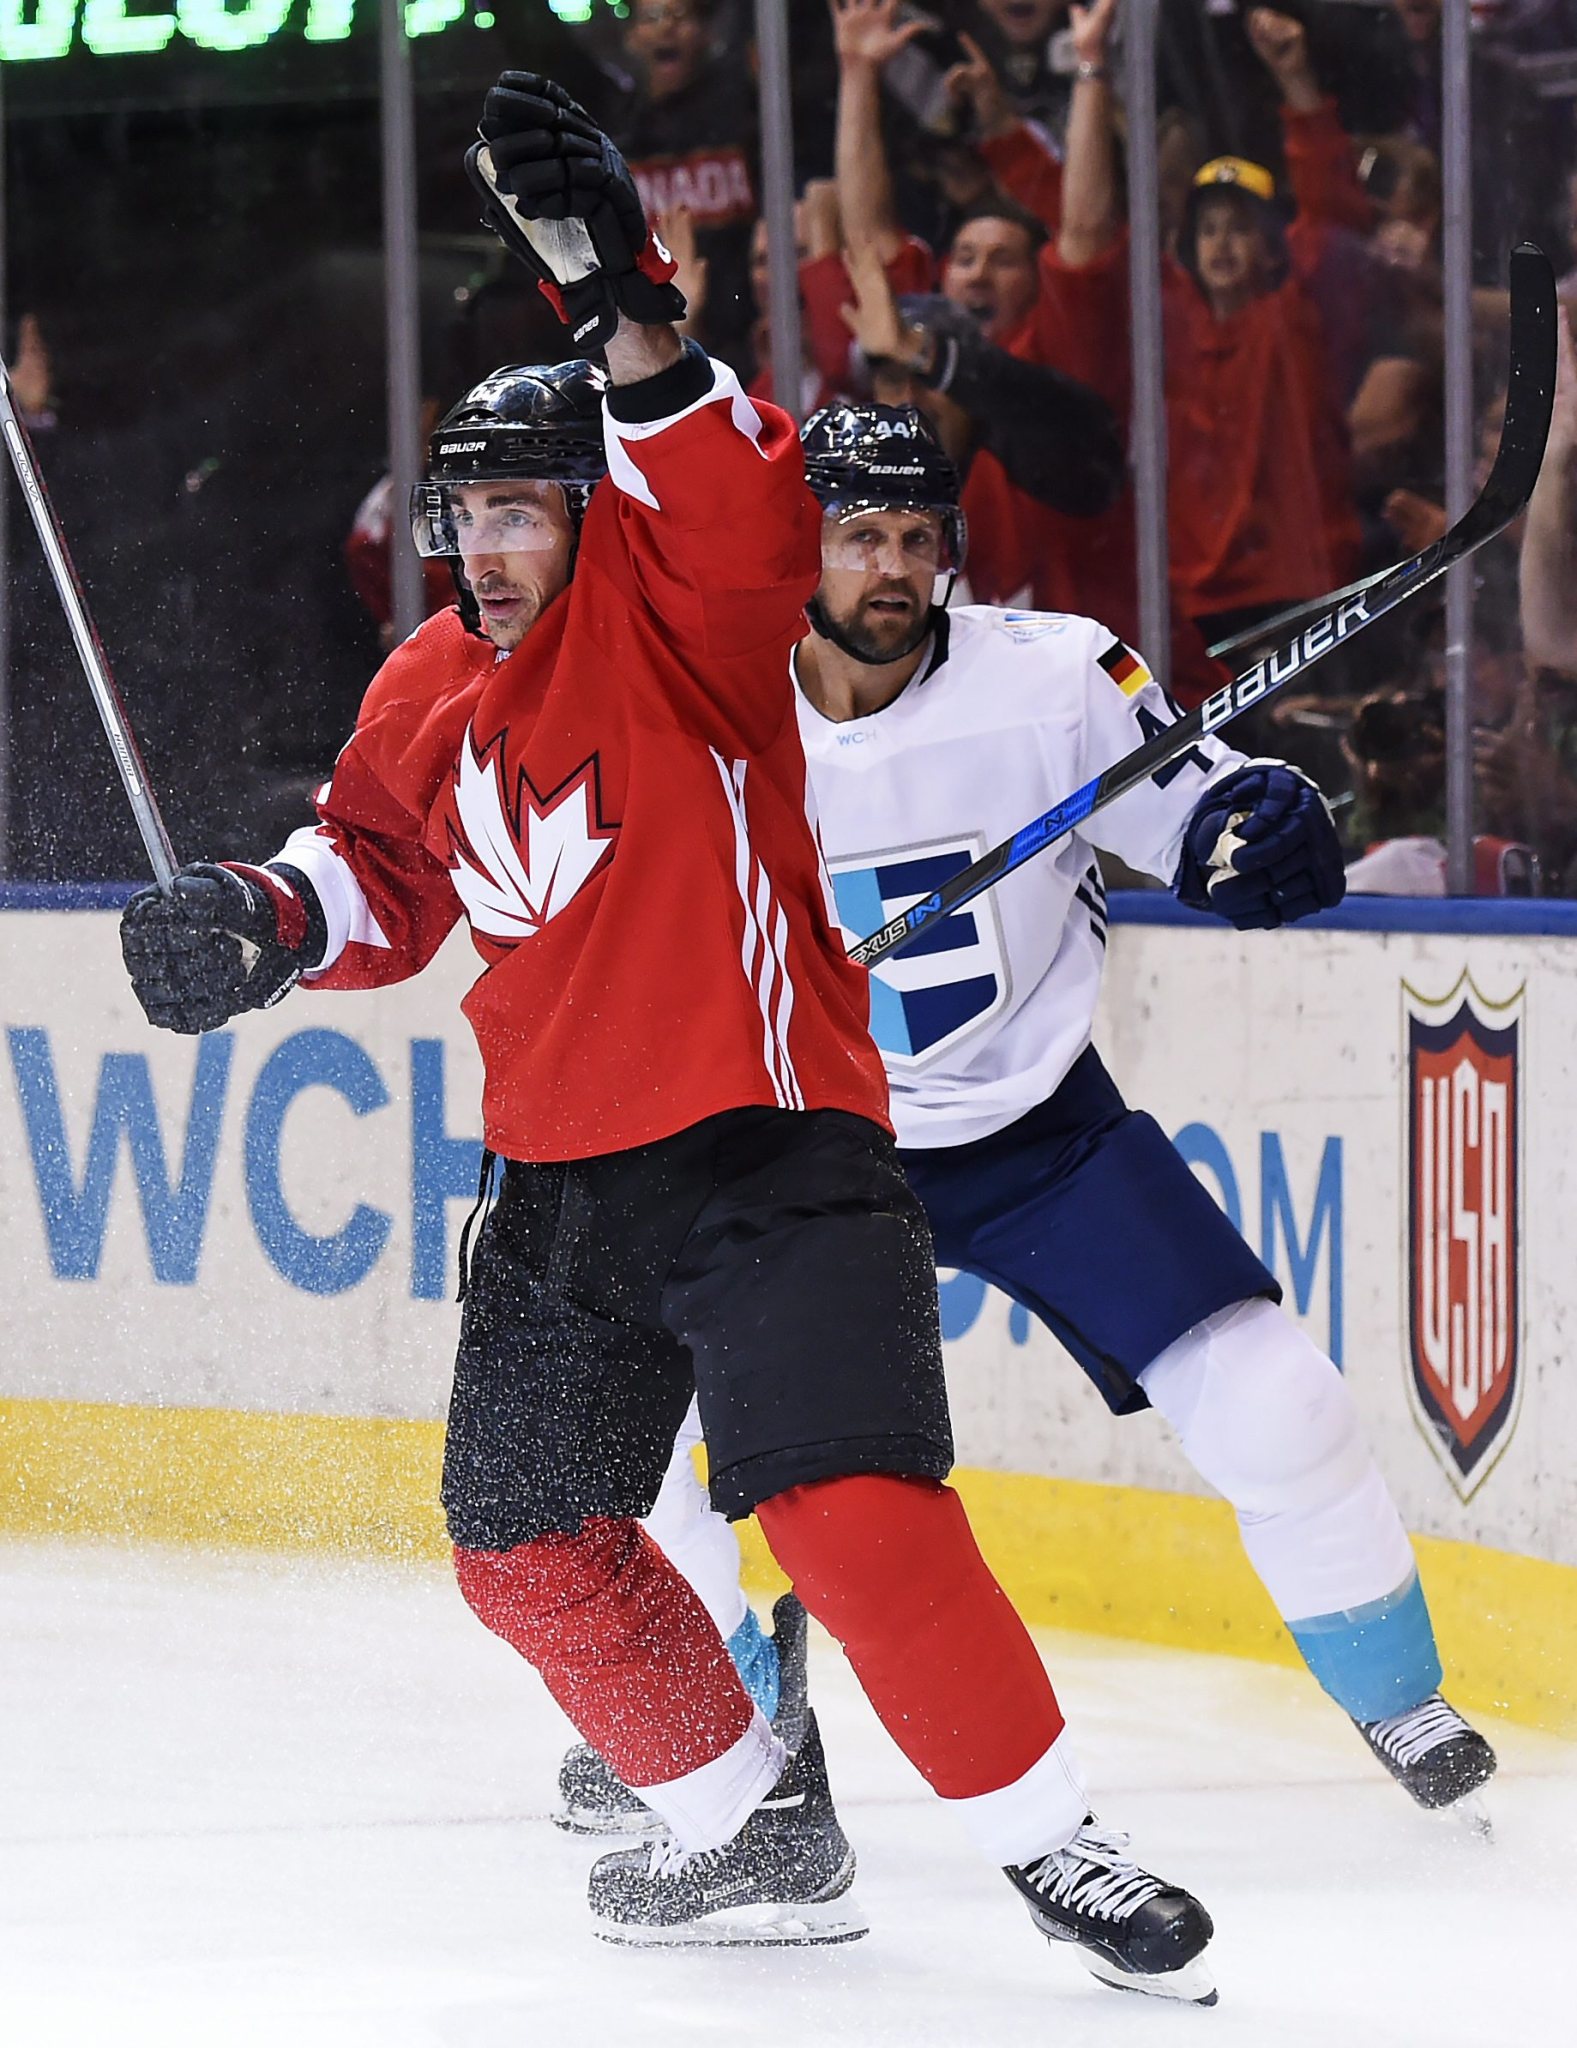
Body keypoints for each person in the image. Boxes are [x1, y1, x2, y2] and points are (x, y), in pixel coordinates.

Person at [117, 73, 1219, 2001]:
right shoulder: (431, 677)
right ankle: (748, 1824)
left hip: (766, 1151)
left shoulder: (692, 625)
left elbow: (727, 501)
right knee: (522, 1542)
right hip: (557, 1185)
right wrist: (258, 920)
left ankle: (1058, 1842)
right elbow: (376, 867)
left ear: (596, 514)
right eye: (467, 510)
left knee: (846, 1513)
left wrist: (625, 309)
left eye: (524, 509)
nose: (487, 547)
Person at [558, 401, 1500, 1841]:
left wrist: (1259, 833)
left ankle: (1399, 1698)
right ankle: (720, 1713)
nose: (891, 567)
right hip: (779, 1147)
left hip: (1033, 1132)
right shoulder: (701, 692)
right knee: (630, 1448)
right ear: (793, 550)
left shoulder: (1055, 678)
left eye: (915, 538)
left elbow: (1200, 809)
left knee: (1281, 1402)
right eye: (856, 536)